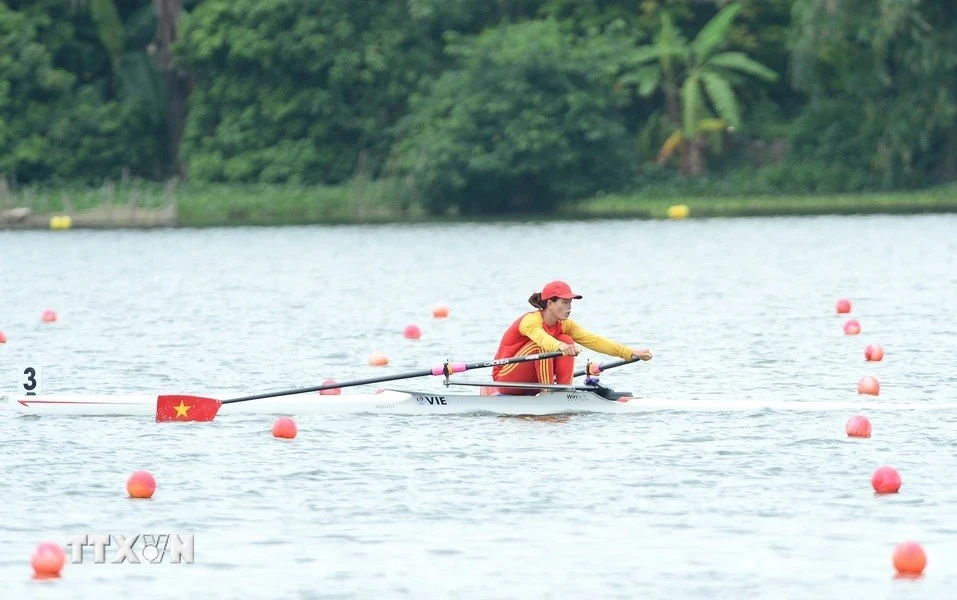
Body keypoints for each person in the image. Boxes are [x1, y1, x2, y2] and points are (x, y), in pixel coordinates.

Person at [491, 280, 652, 395]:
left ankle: (563, 390)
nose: (569, 307)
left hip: (532, 380)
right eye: (565, 302)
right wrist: (560, 347)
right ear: (550, 303)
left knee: (567, 340)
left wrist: (630, 352)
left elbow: (595, 341)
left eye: (570, 302)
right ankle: (550, 394)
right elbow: (542, 339)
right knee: (546, 345)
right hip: (506, 378)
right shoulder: (530, 321)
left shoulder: (565, 324)